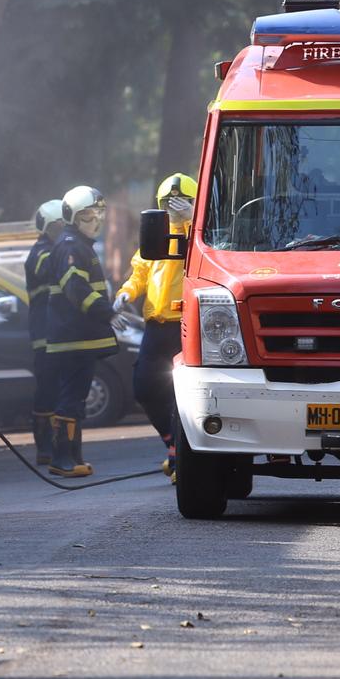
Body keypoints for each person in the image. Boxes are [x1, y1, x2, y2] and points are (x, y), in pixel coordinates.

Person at [114, 173, 196, 479]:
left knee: (183, 394)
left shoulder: (202, 235)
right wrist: (126, 293)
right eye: (168, 201)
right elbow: (140, 271)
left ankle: (184, 461)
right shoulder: (155, 236)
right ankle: (173, 445)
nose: (174, 205)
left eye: (182, 200)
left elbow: (204, 258)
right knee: (145, 387)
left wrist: (193, 221)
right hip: (156, 326)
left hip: (185, 326)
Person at [45, 185, 118, 478]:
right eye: (88, 216)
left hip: (80, 339)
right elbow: (75, 287)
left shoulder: (78, 244)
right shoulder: (69, 246)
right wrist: (107, 311)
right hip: (72, 339)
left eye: (99, 215)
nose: (96, 222)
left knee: (77, 397)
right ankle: (61, 457)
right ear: (72, 218)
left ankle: (72, 456)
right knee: (71, 397)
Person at [24, 198, 65, 465]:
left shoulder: (60, 248)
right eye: (59, 226)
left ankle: (61, 444)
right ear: (47, 227)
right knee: (47, 391)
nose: (63, 231)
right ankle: (45, 446)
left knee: (61, 391)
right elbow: (50, 269)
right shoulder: (41, 252)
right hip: (45, 336)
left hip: (60, 333)